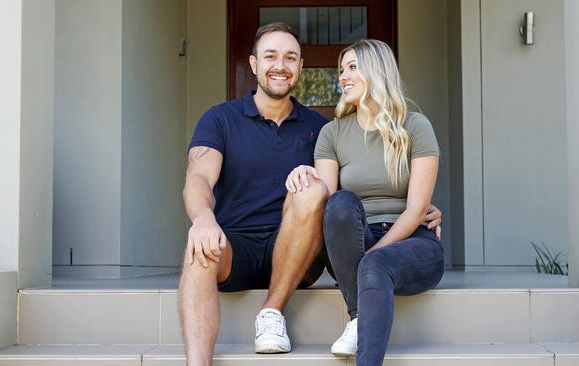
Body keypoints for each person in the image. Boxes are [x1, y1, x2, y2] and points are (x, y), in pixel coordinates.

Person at [180, 22, 442, 366]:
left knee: (314, 192)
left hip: (297, 252)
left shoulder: (319, 127)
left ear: (301, 67)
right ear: (254, 64)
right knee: (198, 249)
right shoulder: (221, 120)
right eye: (270, 56)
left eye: (290, 57)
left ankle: (273, 311)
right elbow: (198, 177)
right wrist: (202, 219)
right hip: (237, 244)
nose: (280, 65)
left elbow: (339, 199)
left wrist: (420, 206)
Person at [285, 39, 444, 365]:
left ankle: (360, 326)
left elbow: (416, 208)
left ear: (378, 70)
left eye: (353, 68)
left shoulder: (415, 127)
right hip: (353, 239)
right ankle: (360, 314)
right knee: (340, 201)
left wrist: (369, 258)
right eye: (341, 70)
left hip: (413, 242)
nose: (342, 76)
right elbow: (327, 205)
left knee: (375, 264)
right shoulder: (332, 133)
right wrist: (305, 175)